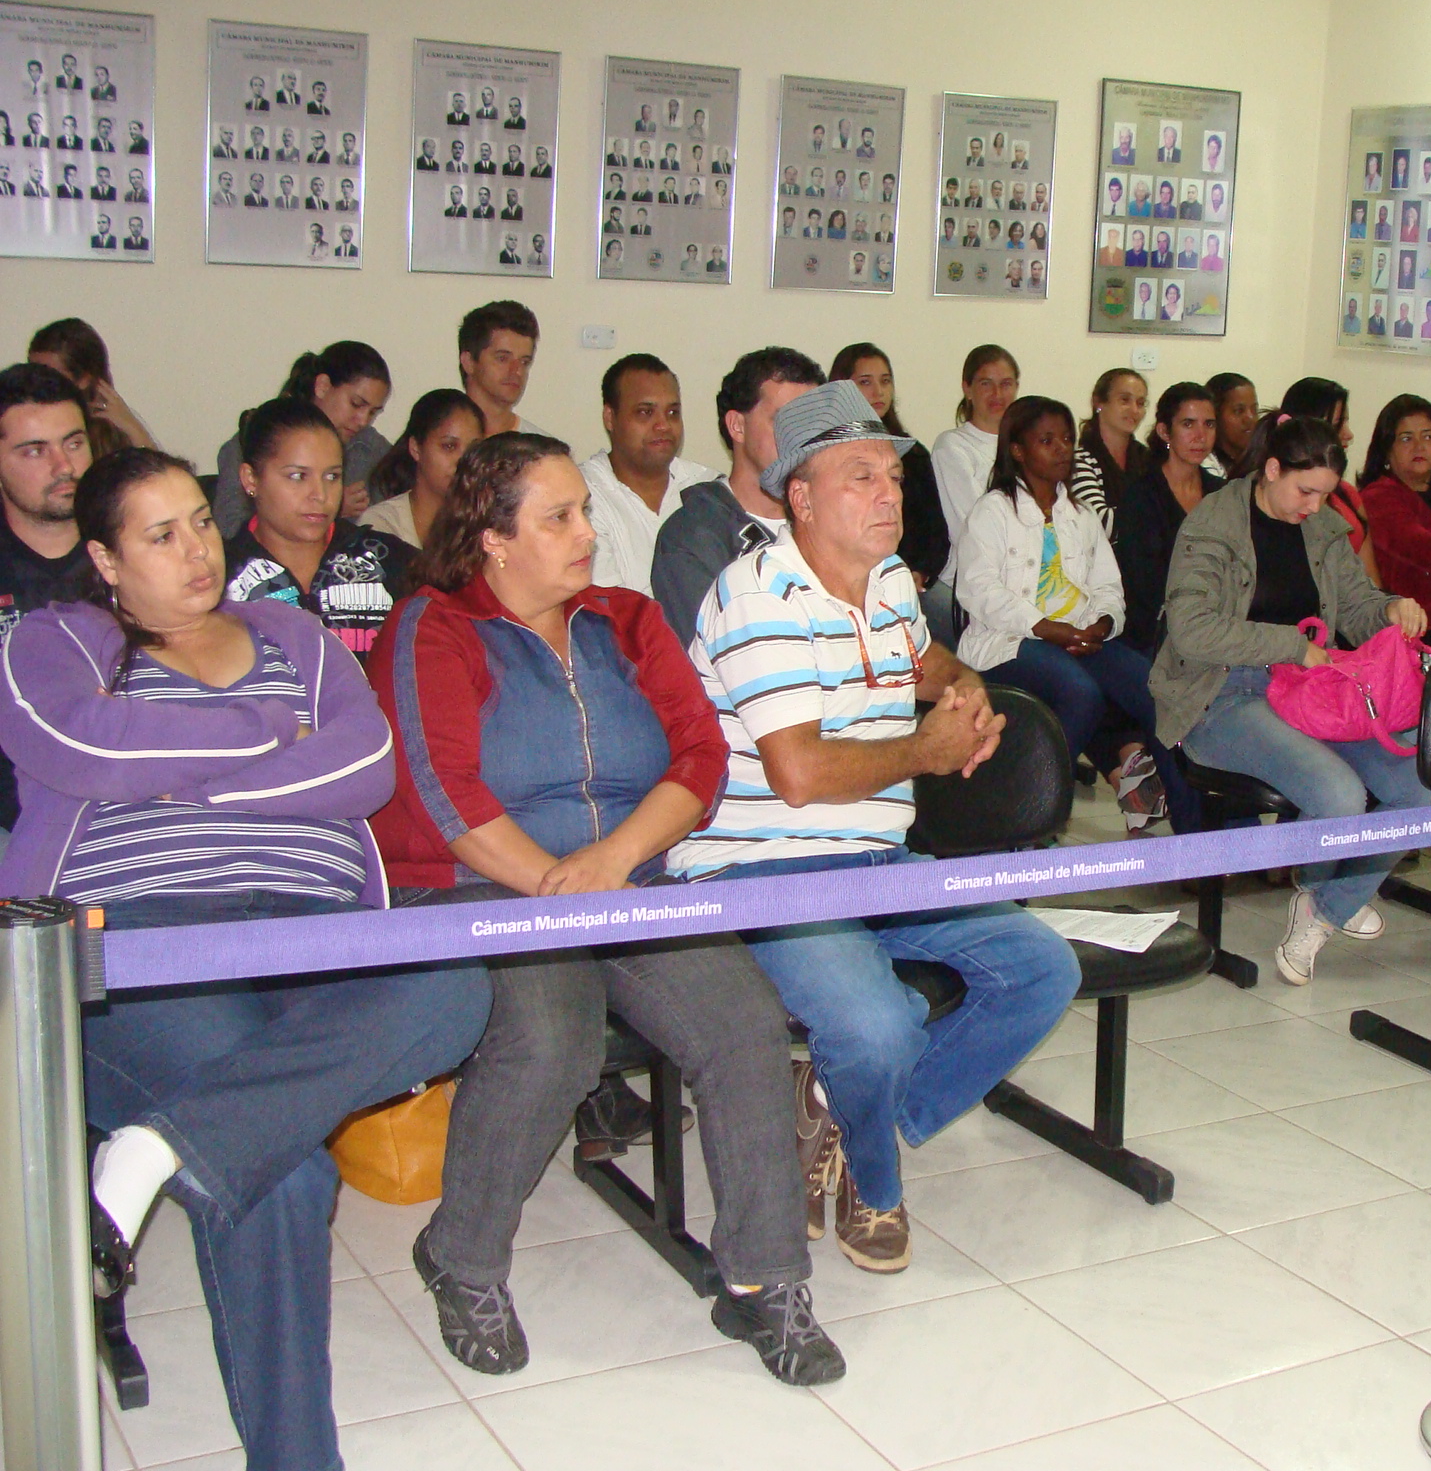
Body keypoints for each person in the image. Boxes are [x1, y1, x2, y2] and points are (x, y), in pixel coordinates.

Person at [0, 444, 489, 1471]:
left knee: (453, 985)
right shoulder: (60, 639)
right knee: (281, 1177)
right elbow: (84, 747)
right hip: (146, 931)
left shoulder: (291, 633)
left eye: (199, 522)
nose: (195, 552)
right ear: (105, 559)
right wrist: (269, 730)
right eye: (159, 535)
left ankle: (153, 1151)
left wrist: (191, 785)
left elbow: (360, 765)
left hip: (313, 925)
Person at [367, 433, 844, 1387]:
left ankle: (762, 1279)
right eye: (560, 518)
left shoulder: (624, 619)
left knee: (745, 1023)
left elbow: (698, 762)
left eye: (584, 510)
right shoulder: (435, 626)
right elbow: (444, 793)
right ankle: (460, 1258)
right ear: (494, 541)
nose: (589, 531)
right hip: (485, 885)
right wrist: (555, 884)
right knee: (553, 1038)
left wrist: (615, 859)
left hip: (626, 880)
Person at [675, 380, 1080, 1274]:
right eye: (860, 477)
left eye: (892, 475)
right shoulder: (760, 593)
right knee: (880, 1030)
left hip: (875, 857)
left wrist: (963, 690)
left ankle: (844, 1114)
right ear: (802, 497)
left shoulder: (890, 580)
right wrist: (927, 756)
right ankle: (875, 1174)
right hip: (761, 867)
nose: (889, 493)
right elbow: (800, 774)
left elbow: (917, 657)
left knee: (1042, 971)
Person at [1154, 412, 1431, 983]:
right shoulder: (1212, 525)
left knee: (1417, 787)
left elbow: (1355, 607)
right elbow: (1193, 629)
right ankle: (1329, 898)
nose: (1313, 506)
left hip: (1312, 691)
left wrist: (1390, 607)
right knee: (1338, 792)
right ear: (1271, 469)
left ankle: (1323, 905)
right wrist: (1293, 645)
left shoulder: (1323, 529)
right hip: (1222, 693)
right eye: (1305, 491)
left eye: (1325, 495)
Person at [956, 395, 1191, 832]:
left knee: (1157, 689)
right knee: (1080, 693)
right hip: (1012, 642)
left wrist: (1101, 624)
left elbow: (1108, 587)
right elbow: (979, 589)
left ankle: (1192, 830)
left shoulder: (1080, 515)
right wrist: (1048, 629)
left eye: (1066, 438)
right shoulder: (993, 511)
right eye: (1046, 440)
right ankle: (1026, 811)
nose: (1062, 448)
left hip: (1079, 637)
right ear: (1018, 450)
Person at [651, 346, 824, 647]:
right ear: (737, 426)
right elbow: (720, 656)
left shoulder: (835, 517)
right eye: (784, 421)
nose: (801, 439)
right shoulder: (691, 537)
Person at [223, 397, 413, 656]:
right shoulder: (220, 577)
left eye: (332, 476)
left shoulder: (386, 560)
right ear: (250, 479)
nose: (320, 495)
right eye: (298, 476)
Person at [0, 364, 97, 834]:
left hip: (128, 814)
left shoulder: (137, 551)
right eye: (36, 450)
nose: (64, 466)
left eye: (74, 443)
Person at [831, 343, 953, 644]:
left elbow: (936, 533)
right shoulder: (826, 457)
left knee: (944, 616)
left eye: (885, 381)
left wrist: (919, 573)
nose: (878, 392)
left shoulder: (913, 454)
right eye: (865, 382)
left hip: (910, 576)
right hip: (848, 577)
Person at [214, 341, 391, 536]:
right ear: (323, 386)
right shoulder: (253, 441)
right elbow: (228, 530)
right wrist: (331, 512)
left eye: (373, 413)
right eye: (356, 404)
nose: (363, 421)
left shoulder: (371, 448)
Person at [582, 353, 715, 594]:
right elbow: (608, 611)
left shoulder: (708, 488)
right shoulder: (582, 495)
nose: (663, 425)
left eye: (672, 412)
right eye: (645, 412)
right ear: (610, 418)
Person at [1354, 394, 1431, 636]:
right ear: (1387, 451)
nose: (1419, 447)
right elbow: (1422, 548)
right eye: (1406, 438)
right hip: (1413, 628)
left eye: (1428, 437)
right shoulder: (1377, 496)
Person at [1118, 381, 1224, 657]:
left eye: (1209, 425)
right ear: (1165, 431)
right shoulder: (1141, 494)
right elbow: (1145, 583)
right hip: (1156, 631)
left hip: (1216, 624)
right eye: (1188, 424)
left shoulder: (1222, 494)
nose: (1200, 436)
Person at [930, 344, 1020, 577]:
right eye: (985, 383)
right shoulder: (951, 446)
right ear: (967, 389)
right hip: (972, 582)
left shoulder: (1026, 447)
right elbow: (971, 528)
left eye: (1006, 384)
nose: (997, 394)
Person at [1282, 377, 1381, 585]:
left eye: (1346, 422)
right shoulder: (1281, 500)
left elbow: (1370, 580)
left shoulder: (1348, 495)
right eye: (1338, 424)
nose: (1348, 435)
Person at [360, 388, 485, 548]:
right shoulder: (381, 525)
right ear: (416, 448)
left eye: (472, 449)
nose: (463, 461)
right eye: (449, 446)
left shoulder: (484, 526)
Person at [26, 316, 160, 456]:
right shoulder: (20, 420)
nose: (37, 382)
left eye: (50, 376)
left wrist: (134, 429)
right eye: (32, 370)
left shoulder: (107, 434)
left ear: (84, 379)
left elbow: (158, 475)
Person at [1069, 368, 1148, 535]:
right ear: (1098, 403)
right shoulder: (1078, 461)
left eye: (1140, 403)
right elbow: (1099, 525)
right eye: (1125, 400)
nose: (1134, 410)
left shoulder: (1149, 458)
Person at [459, 300, 541, 436]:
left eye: (524, 362)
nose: (517, 371)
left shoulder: (541, 452)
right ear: (468, 362)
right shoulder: (441, 445)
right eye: (502, 358)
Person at [1205, 372, 1259, 476]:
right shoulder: (1207, 465)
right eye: (1239, 411)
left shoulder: (1263, 460)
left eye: (1254, 410)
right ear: (1215, 415)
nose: (1250, 418)